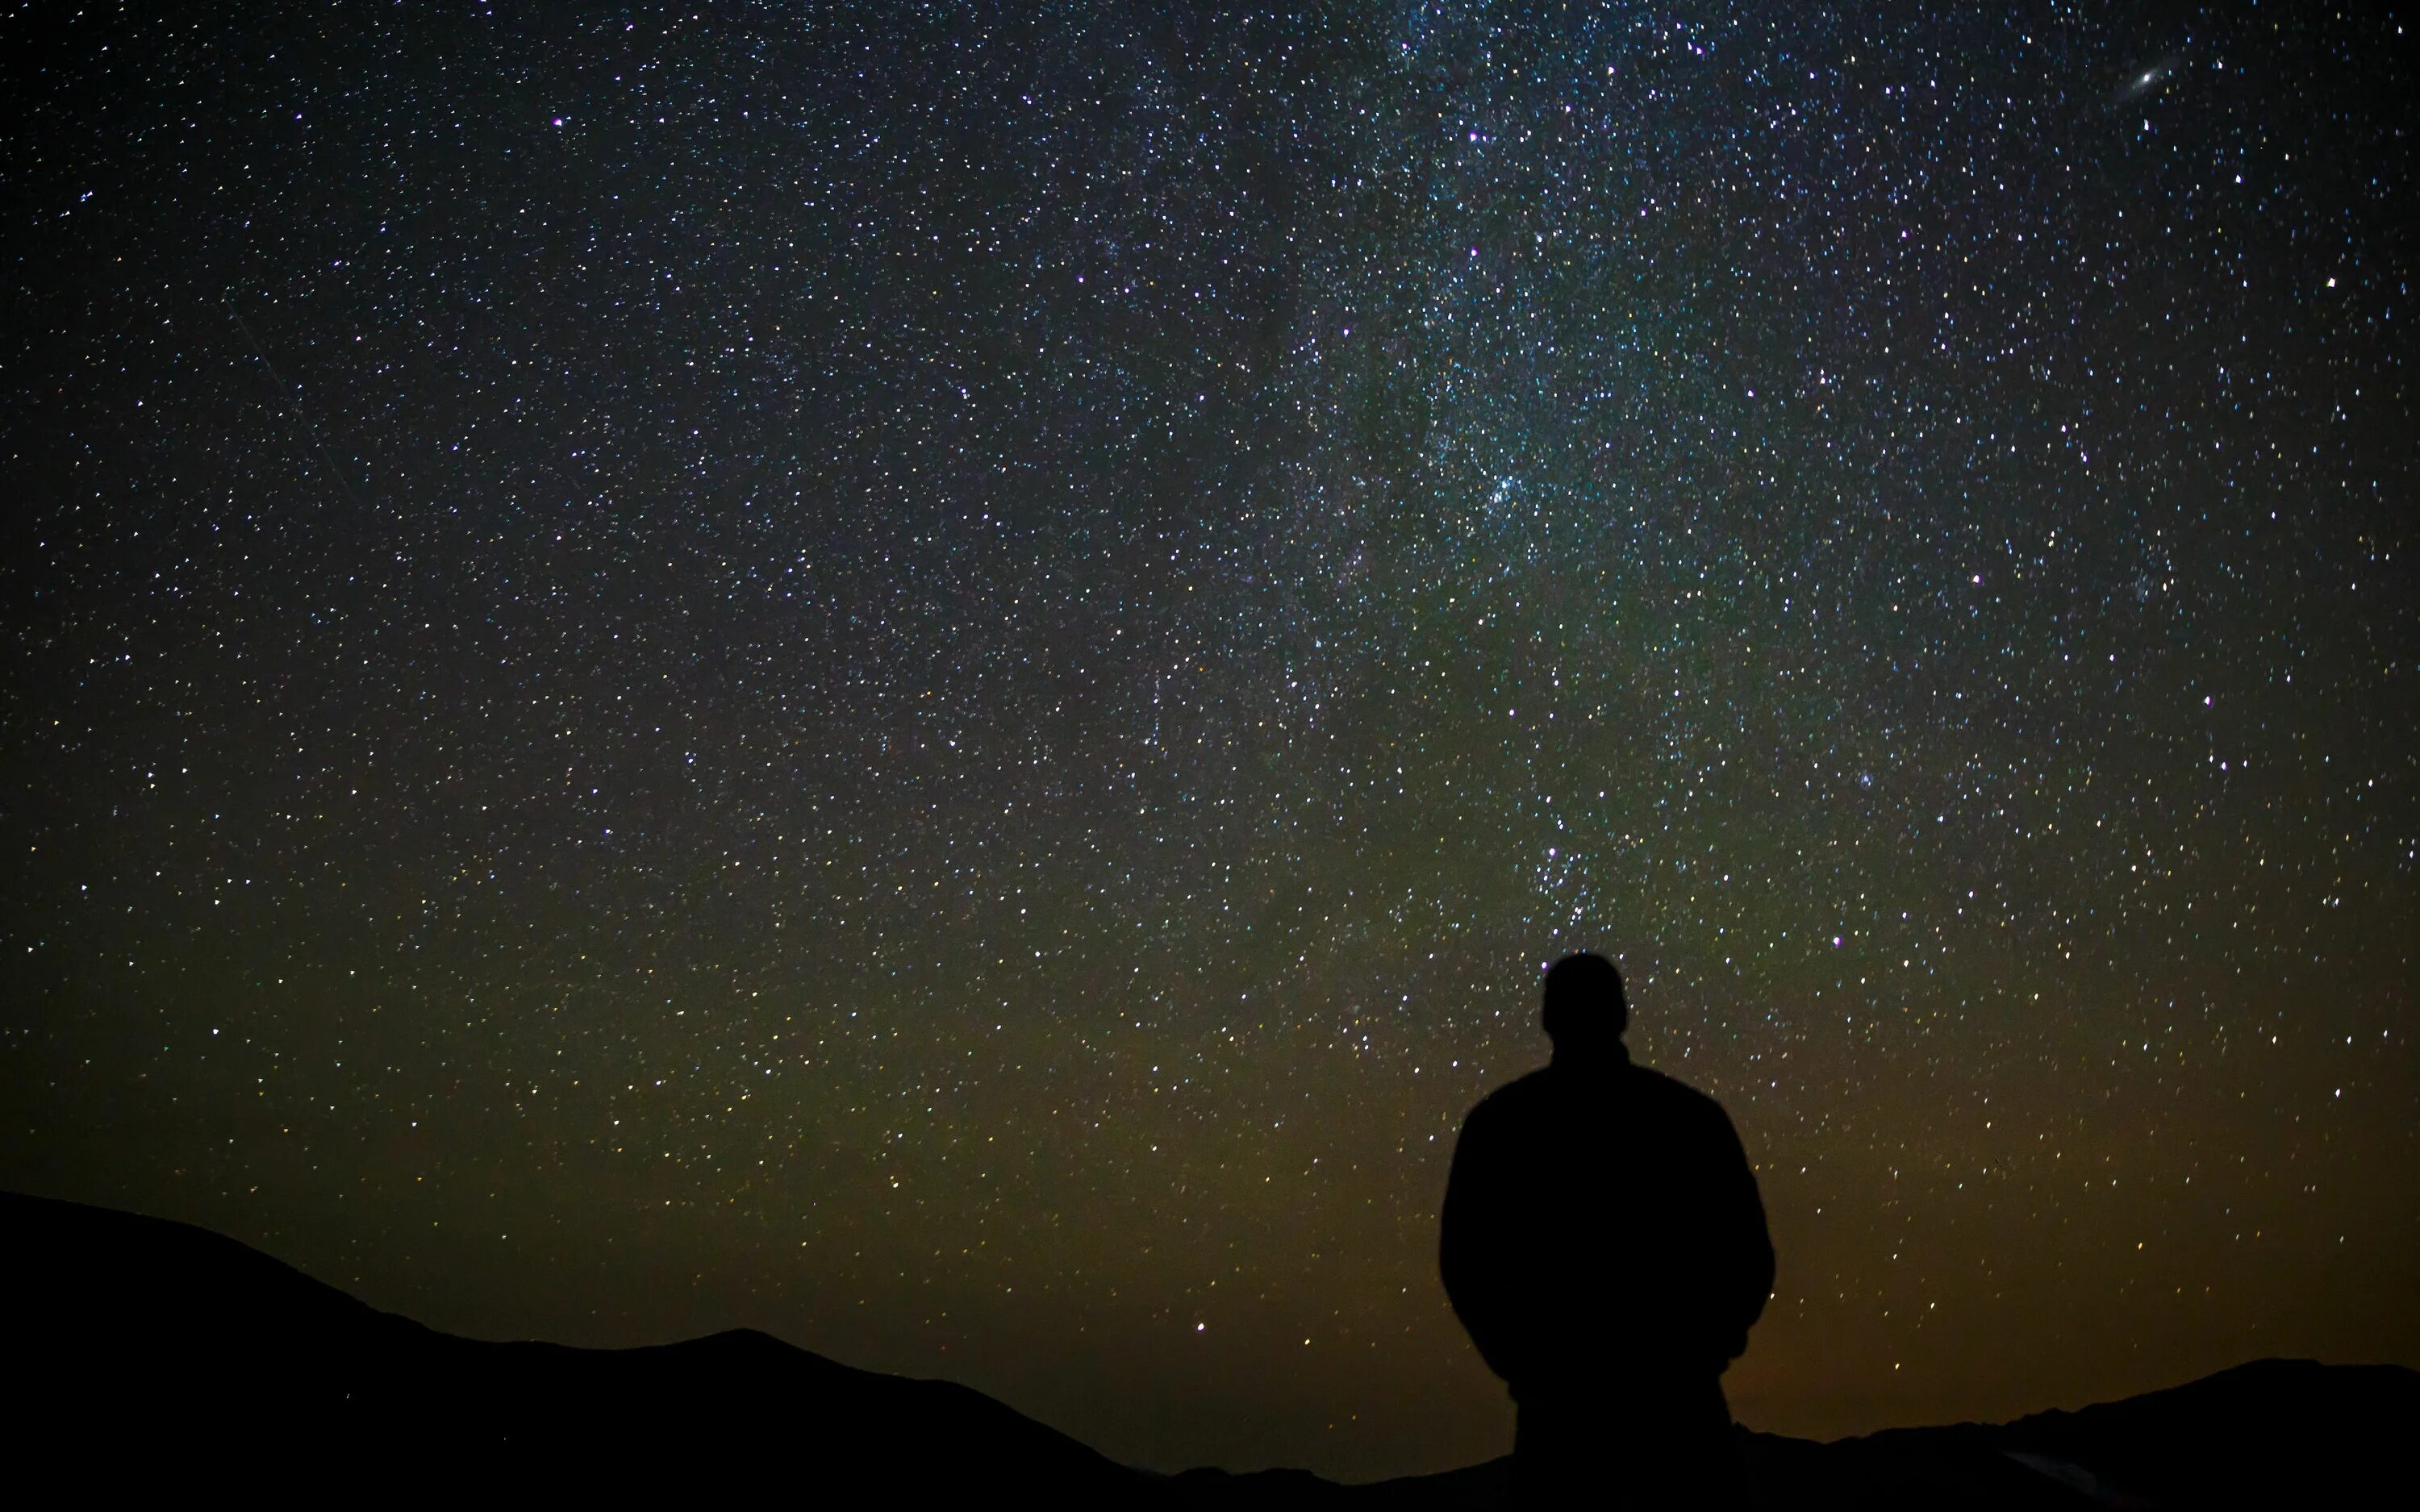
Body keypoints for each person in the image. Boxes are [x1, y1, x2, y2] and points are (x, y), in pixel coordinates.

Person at [1439, 952, 1773, 1508]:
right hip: (1678, 1419)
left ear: (1546, 1018)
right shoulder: (1689, 1119)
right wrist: (1700, 1354)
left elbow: (1466, 1263)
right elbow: (1747, 1253)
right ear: (1621, 1014)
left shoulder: (1502, 1125)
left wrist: (1529, 1366)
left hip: (1563, 1422)